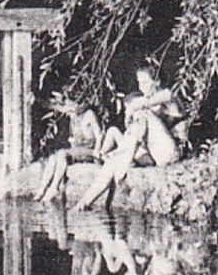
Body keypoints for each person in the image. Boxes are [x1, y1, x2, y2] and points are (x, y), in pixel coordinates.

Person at [76, 64, 189, 210]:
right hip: (155, 154)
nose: (141, 88)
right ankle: (83, 203)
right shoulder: (151, 104)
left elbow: (162, 97)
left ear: (157, 82)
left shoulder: (169, 96)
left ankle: (125, 163)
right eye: (139, 83)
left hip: (171, 154)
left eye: (145, 83)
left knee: (142, 114)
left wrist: (134, 108)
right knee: (112, 163)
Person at [34, 91, 105, 202]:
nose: (72, 108)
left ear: (81, 104)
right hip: (77, 150)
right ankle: (42, 190)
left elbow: (99, 134)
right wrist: (37, 100)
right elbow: (55, 106)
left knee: (62, 153)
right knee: (54, 157)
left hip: (89, 150)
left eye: (73, 105)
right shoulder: (73, 113)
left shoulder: (89, 114)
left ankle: (54, 187)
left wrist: (97, 151)